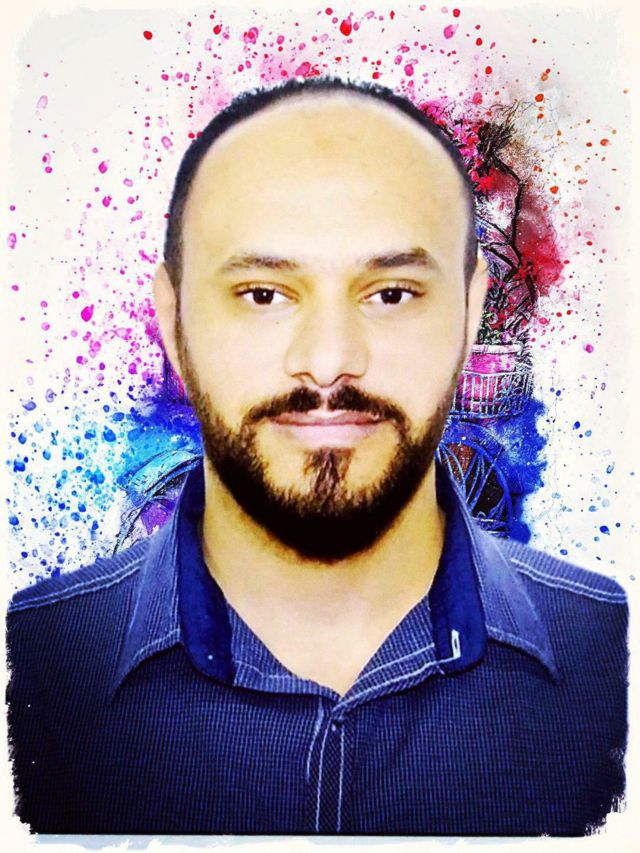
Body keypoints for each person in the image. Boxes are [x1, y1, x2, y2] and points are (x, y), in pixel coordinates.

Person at [6, 77, 627, 836]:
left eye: (391, 293)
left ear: (471, 313)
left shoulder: (615, 660)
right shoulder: (29, 666)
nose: (329, 360)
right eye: (263, 294)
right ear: (173, 321)